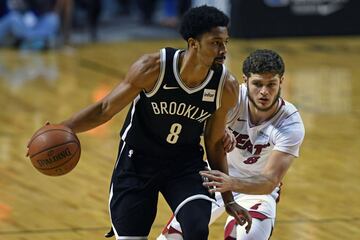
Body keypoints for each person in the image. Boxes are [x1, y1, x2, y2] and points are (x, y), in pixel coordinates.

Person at [53, 5, 251, 240]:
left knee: (197, 228)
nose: (223, 50)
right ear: (193, 43)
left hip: (184, 164)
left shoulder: (225, 85)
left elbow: (214, 144)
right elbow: (105, 109)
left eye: (225, 42)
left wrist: (229, 200)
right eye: (216, 42)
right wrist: (64, 128)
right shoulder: (154, 67)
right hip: (138, 161)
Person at [158, 49, 305, 240]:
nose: (264, 92)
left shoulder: (290, 123)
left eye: (271, 84)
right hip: (216, 177)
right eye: (257, 84)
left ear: (281, 82)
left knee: (249, 237)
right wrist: (215, 126)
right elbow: (189, 116)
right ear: (245, 80)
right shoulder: (231, 97)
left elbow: (269, 181)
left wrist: (232, 184)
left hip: (255, 189)